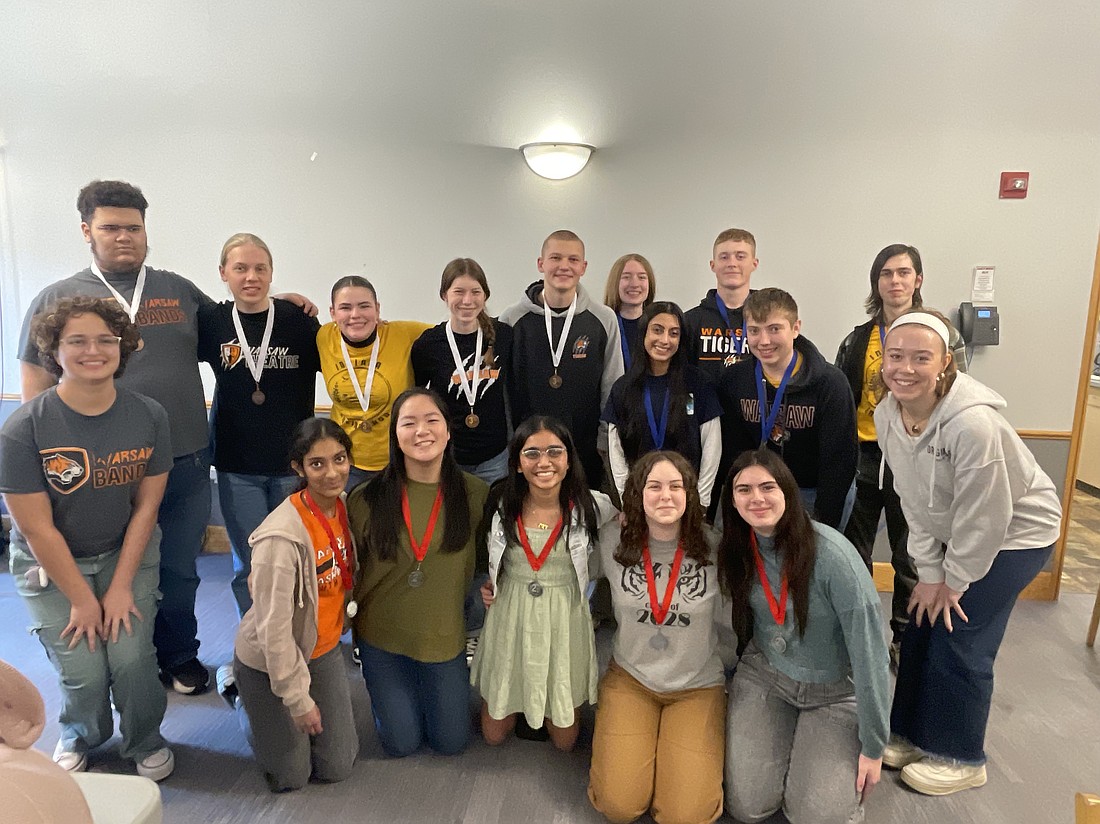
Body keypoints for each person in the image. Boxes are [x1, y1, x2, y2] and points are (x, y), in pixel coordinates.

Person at [18, 180, 316, 695]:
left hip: (184, 457)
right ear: (87, 230)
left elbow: (235, 323)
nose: (124, 237)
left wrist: (280, 302)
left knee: (180, 572)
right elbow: (34, 381)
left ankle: (178, 656)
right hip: (100, 470)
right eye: (111, 228)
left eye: (134, 227)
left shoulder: (177, 290)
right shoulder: (58, 297)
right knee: (116, 572)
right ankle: (116, 671)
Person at [874, 310, 1061, 796]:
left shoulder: (973, 426)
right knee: (919, 619)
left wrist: (952, 581)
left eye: (921, 358)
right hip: (954, 533)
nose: (905, 368)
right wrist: (929, 574)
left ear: (945, 365)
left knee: (960, 629)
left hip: (1016, 535)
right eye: (896, 356)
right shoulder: (887, 414)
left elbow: (986, 519)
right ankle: (911, 733)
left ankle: (961, 755)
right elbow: (912, 502)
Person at [2, 297, 175, 780]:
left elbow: (146, 507)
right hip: (51, 564)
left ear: (122, 347)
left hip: (126, 554)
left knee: (132, 657)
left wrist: (120, 587)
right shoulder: (24, 428)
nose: (92, 350)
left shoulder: (149, 415)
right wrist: (81, 598)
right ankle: (81, 733)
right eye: (76, 341)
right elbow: (36, 527)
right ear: (54, 351)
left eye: (105, 339)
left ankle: (145, 739)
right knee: (83, 669)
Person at [719, 448, 890, 824]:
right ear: (731, 500)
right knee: (747, 807)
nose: (756, 498)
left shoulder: (833, 557)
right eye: (743, 490)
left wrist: (874, 745)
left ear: (787, 492)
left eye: (767, 487)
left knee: (816, 817)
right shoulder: (736, 547)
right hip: (766, 675)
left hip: (834, 692)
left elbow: (871, 655)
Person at [835, 244, 968, 665]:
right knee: (852, 551)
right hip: (864, 456)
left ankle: (905, 639)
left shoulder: (944, 335)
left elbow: (956, 396)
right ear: (877, 282)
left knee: (910, 553)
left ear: (918, 280)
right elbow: (842, 399)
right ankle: (856, 632)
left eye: (904, 273)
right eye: (886, 274)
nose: (895, 281)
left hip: (917, 457)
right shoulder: (858, 339)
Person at [347, 388, 489, 757]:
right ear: (395, 435)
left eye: (432, 420)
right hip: (381, 639)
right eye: (408, 423)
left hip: (442, 638)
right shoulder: (366, 498)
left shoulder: (476, 495)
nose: (421, 431)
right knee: (401, 743)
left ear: (448, 432)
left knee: (451, 742)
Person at [588, 452, 728, 824]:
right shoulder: (611, 541)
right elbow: (564, 554)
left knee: (685, 816)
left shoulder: (715, 548)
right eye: (653, 486)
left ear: (690, 495)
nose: (665, 496)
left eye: (675, 486)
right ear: (637, 494)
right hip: (632, 679)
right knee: (619, 806)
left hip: (696, 686)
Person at [471, 416, 617, 751]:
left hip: (563, 613)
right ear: (518, 464)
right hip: (512, 610)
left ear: (568, 460)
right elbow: (489, 556)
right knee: (493, 736)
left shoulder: (593, 505)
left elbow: (629, 523)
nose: (544, 462)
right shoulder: (501, 502)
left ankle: (548, 701)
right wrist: (491, 583)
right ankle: (519, 699)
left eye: (555, 451)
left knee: (565, 742)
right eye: (532, 453)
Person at [198, 233, 321, 617]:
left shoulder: (298, 322)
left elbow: (347, 348)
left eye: (259, 268)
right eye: (240, 268)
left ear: (271, 274)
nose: (250, 276)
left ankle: (298, 638)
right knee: (249, 561)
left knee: (296, 557)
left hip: (293, 464)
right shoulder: (212, 322)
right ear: (223, 273)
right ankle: (253, 646)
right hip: (237, 464)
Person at [232, 418, 358, 792]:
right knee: (291, 777)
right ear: (298, 468)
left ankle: (276, 715)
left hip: (321, 648)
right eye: (317, 464)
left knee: (337, 766)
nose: (332, 473)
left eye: (339, 459)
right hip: (271, 658)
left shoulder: (345, 508)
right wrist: (298, 699)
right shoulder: (280, 537)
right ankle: (241, 699)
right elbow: (274, 631)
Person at [718, 288, 858, 531]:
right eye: (754, 331)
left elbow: (839, 462)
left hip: (813, 492)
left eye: (774, 329)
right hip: (758, 493)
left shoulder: (830, 383)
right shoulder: (735, 381)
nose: (764, 341)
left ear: (795, 328)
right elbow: (733, 453)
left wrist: (822, 527)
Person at [501, 229, 624, 489]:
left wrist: (605, 443)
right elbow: (503, 391)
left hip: (585, 449)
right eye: (555, 258)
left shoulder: (604, 319)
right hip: (529, 453)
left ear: (584, 266)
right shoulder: (511, 320)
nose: (564, 266)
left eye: (573, 260)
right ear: (541, 263)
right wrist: (510, 441)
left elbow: (613, 387)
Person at [602, 301, 722, 510]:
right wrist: (627, 501)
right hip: (641, 500)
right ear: (644, 334)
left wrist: (701, 500)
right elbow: (616, 451)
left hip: (687, 499)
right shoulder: (623, 387)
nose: (665, 340)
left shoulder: (699, 382)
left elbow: (712, 445)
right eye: (657, 330)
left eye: (674, 333)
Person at [320, 276, 431, 491]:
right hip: (344, 463)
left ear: (377, 309)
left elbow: (457, 330)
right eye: (345, 307)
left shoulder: (404, 334)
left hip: (399, 461)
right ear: (332, 313)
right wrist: (284, 297)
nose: (355, 315)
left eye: (364, 306)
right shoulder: (323, 337)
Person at [411, 257, 513, 485]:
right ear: (444, 295)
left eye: (475, 292)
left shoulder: (504, 336)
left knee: (491, 519)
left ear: (485, 295)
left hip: (495, 459)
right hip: (448, 457)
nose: (467, 300)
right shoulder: (428, 344)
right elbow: (416, 399)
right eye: (459, 292)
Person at [684, 227, 758, 520]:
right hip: (704, 436)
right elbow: (682, 381)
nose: (732, 263)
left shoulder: (766, 319)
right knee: (702, 518)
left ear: (754, 263)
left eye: (741, 256)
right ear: (712, 265)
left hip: (754, 431)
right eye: (724, 256)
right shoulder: (691, 320)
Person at [602, 253, 656, 372]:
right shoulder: (602, 326)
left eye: (642, 277)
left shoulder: (658, 327)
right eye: (626, 277)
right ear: (615, 282)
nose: (635, 284)